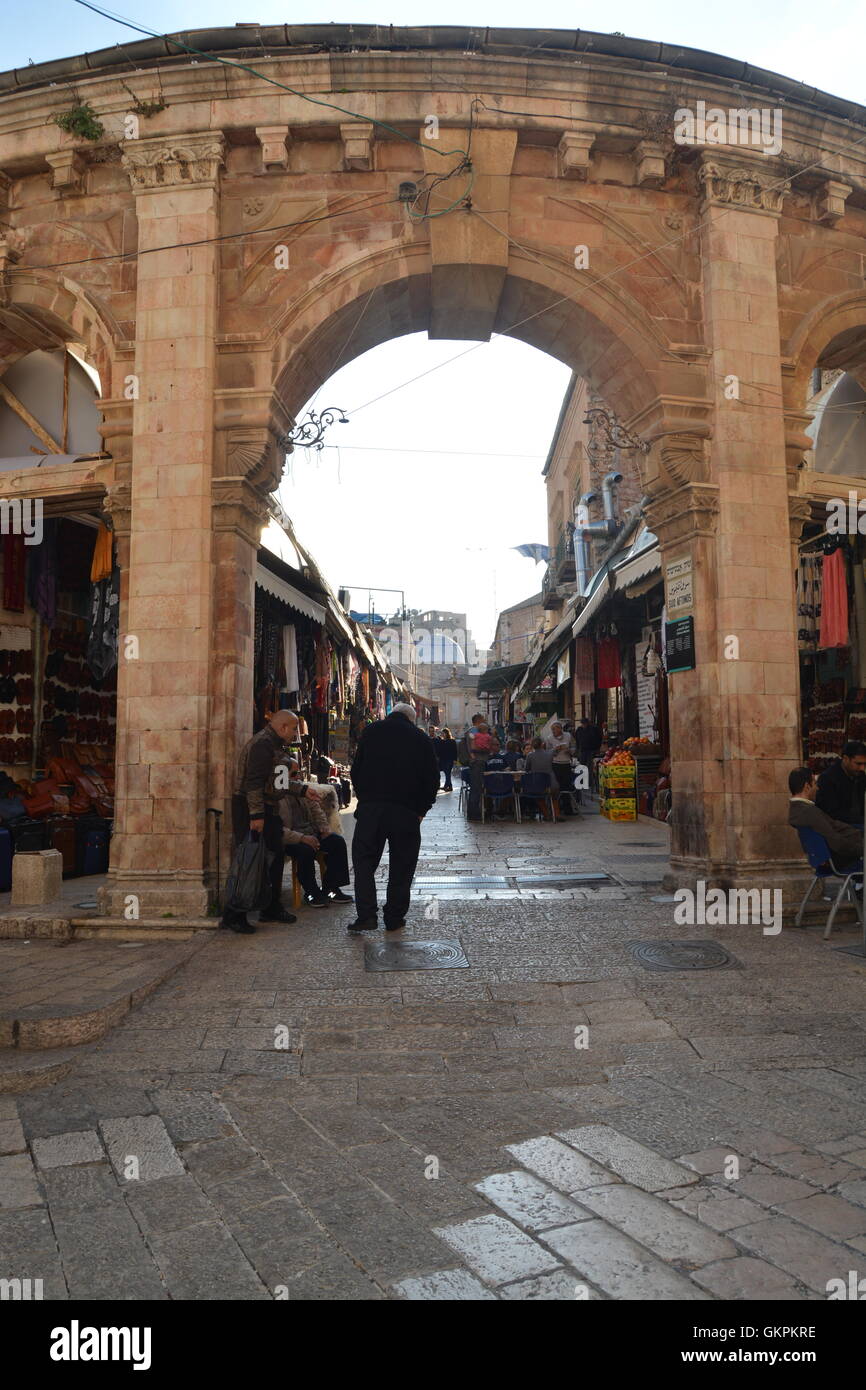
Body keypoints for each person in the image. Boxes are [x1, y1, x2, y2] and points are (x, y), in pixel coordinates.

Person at [221, 709, 322, 934]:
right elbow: (253, 783)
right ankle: (234, 914)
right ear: (283, 727)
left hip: (268, 807)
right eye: (294, 728)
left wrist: (304, 790)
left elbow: (279, 782)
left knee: (274, 858)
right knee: (251, 859)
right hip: (252, 808)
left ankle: (270, 907)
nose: (296, 733)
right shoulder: (262, 745)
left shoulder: (276, 746)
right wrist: (256, 816)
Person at [348, 702, 440, 932]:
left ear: (391, 714)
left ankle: (367, 916)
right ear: (411, 718)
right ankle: (394, 917)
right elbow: (432, 779)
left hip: (372, 810)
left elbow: (356, 769)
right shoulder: (420, 738)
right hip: (406, 812)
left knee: (364, 863)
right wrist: (422, 810)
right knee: (402, 865)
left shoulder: (371, 731)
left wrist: (365, 798)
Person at [277, 757, 352, 907]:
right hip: (292, 838)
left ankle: (331, 888)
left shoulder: (303, 791)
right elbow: (280, 831)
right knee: (306, 850)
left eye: (298, 773)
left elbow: (316, 811)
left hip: (310, 832)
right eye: (293, 775)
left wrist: (324, 828)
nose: (297, 778)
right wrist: (302, 838)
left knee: (337, 842)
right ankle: (311, 892)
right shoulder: (277, 797)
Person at [788, 766, 863, 869]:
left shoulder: (797, 811)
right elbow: (836, 841)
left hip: (843, 845)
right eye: (814, 783)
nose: (817, 788)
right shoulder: (809, 812)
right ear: (807, 786)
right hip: (843, 857)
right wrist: (861, 850)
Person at [816, 741, 866, 826]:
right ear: (845, 759)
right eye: (858, 764)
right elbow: (832, 813)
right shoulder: (827, 779)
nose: (862, 768)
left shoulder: (861, 775)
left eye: (865, 764)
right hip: (838, 830)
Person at [523, 736, 562, 821]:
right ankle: (557, 814)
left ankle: (546, 814)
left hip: (537, 785)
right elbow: (556, 751)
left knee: (538, 796)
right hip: (552, 784)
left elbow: (526, 769)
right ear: (542, 744)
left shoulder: (530, 756)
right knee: (554, 796)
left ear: (533, 746)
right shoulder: (549, 753)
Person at [546, 721, 578, 815]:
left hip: (566, 763)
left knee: (566, 786)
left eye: (555, 729)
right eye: (552, 729)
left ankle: (568, 809)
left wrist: (569, 751)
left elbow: (574, 746)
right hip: (555, 764)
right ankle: (557, 809)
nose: (553, 731)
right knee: (556, 787)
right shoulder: (549, 738)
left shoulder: (568, 736)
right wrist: (555, 750)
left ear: (560, 729)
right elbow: (548, 752)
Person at [435, 726, 458, 791]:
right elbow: (439, 750)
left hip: (450, 759)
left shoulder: (452, 741)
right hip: (443, 759)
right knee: (447, 773)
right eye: (442, 733)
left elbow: (455, 750)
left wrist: (455, 759)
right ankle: (450, 787)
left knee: (448, 773)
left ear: (447, 733)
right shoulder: (441, 741)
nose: (442, 734)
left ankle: (446, 786)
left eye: (444, 733)